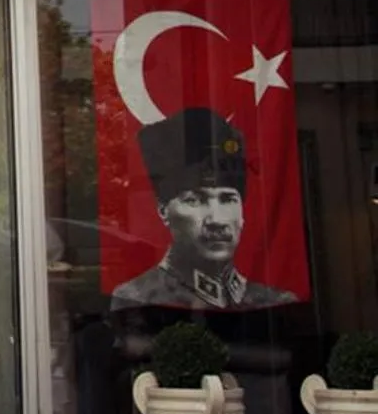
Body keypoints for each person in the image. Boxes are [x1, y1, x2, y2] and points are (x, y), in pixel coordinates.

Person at [110, 106, 296, 311]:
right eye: (194, 200)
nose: (216, 220)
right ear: (163, 211)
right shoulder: (137, 298)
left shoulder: (274, 302)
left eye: (227, 199)